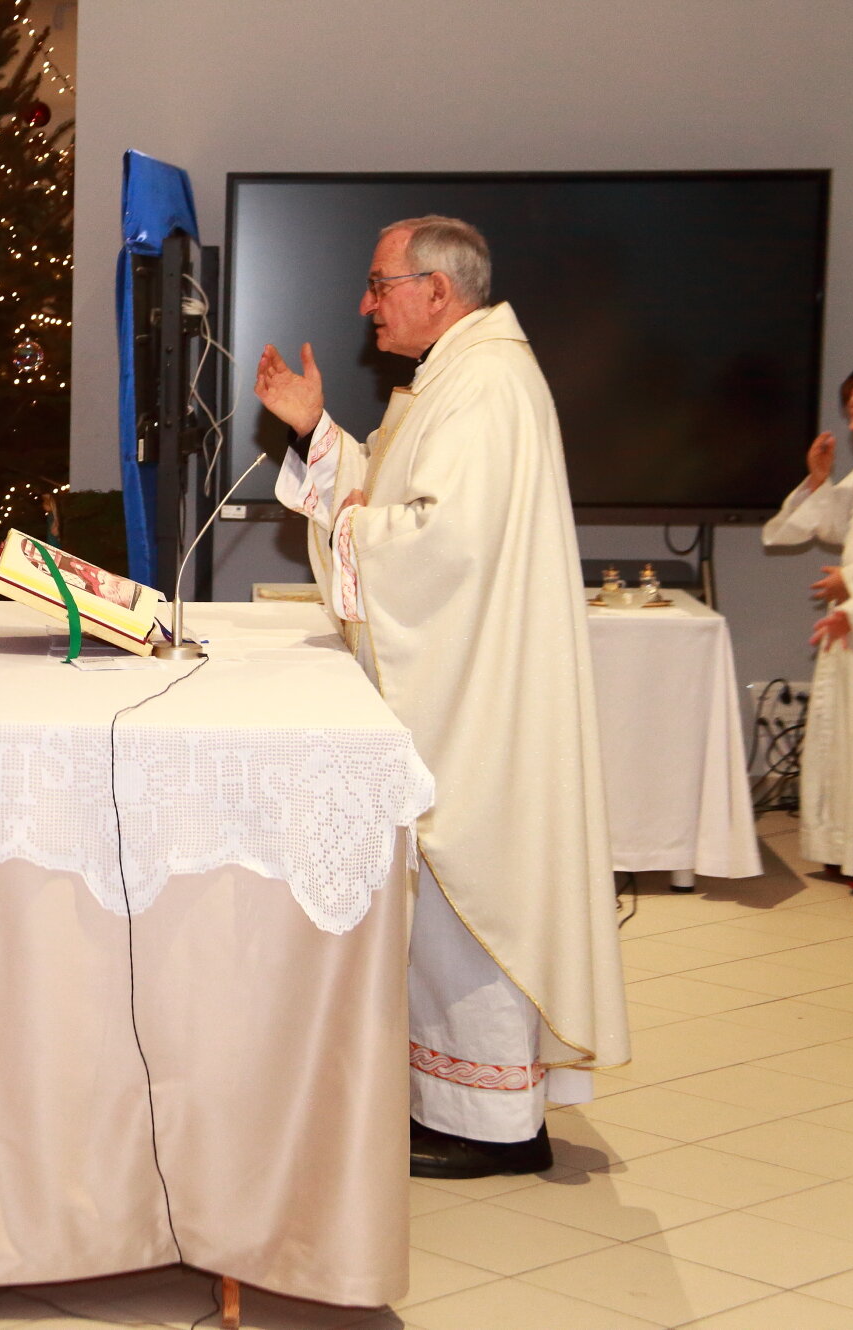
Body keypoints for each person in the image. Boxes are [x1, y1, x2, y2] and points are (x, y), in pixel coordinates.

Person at [255, 214, 627, 1179]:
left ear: (436, 289)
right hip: (460, 677)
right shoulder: (454, 375)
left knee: (475, 883)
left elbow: (441, 544)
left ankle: (493, 1127)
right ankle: (460, 1106)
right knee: (448, 903)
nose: (365, 304)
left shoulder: (488, 384)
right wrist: (314, 433)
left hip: (478, 697)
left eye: (378, 285)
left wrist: (353, 531)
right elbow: (389, 495)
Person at [761, 364, 853, 890]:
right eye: (852, 413)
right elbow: (828, 525)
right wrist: (821, 480)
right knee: (846, 742)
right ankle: (847, 852)